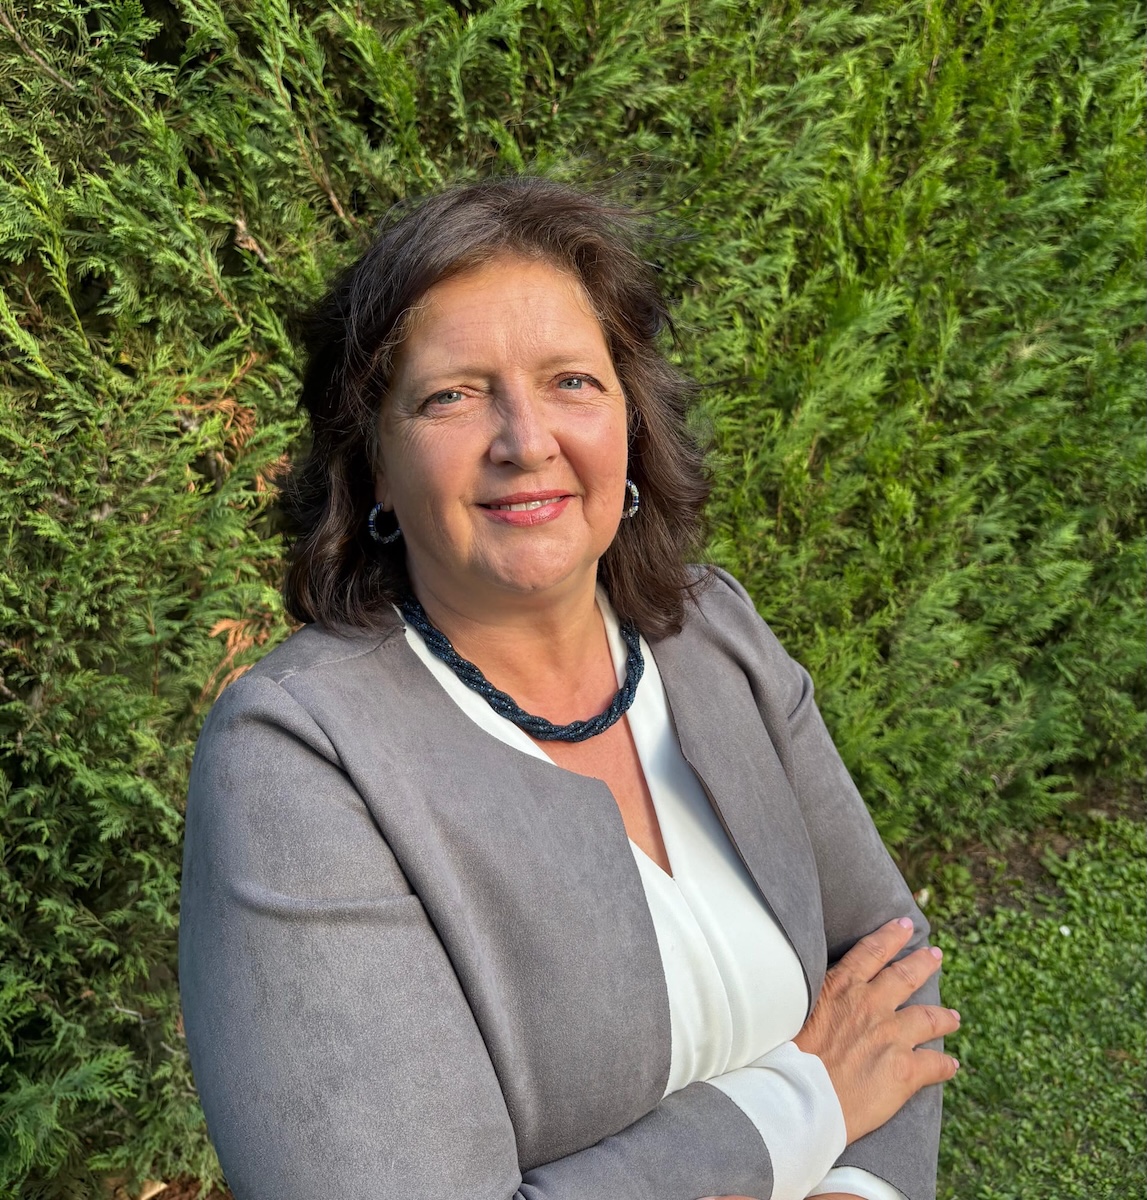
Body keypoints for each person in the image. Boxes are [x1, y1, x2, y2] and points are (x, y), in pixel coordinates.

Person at [178, 177, 959, 1200]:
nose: (526, 439)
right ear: (371, 467)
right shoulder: (301, 755)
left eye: (571, 382)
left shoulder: (712, 634)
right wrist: (805, 1098)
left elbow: (892, 976)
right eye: (453, 395)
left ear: (630, 426)